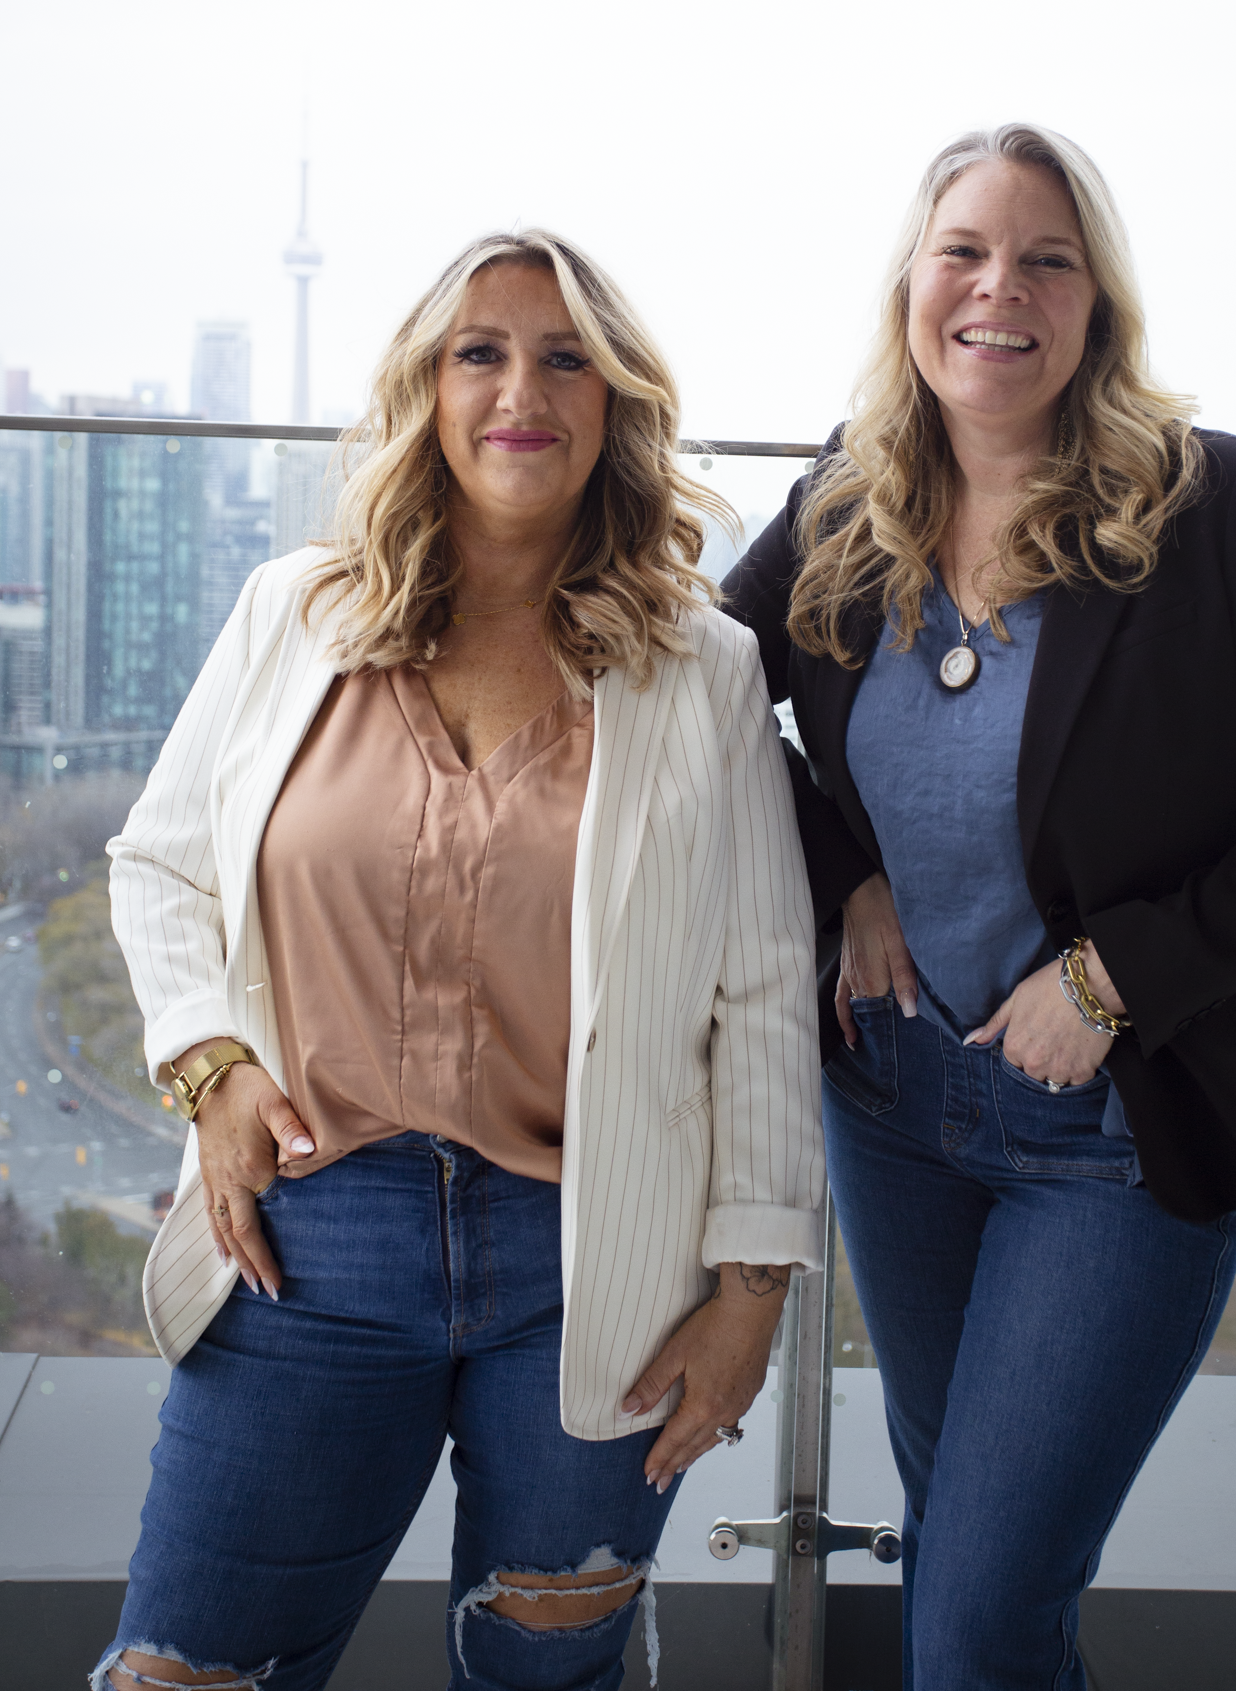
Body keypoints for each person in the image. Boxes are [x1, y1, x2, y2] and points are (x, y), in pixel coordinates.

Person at [96, 231, 824, 1691]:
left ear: (615, 403)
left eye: (567, 359)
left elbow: (760, 995)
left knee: (549, 1671)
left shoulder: (703, 671)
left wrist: (753, 1293)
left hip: (596, 1259)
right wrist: (213, 1065)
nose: (521, 390)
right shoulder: (294, 616)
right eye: (479, 352)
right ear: (426, 389)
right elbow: (158, 866)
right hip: (310, 1237)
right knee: (187, 1672)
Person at [723, 124, 1236, 1690]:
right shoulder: (841, 502)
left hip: (1117, 1138)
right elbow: (709, 709)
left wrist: (1114, 978)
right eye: (965, 251)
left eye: (1046, 259)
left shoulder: (1219, 511)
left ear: (1096, 305)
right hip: (896, 1106)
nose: (998, 289)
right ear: (911, 285)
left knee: (981, 1617)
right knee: (965, 1560)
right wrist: (842, 871)